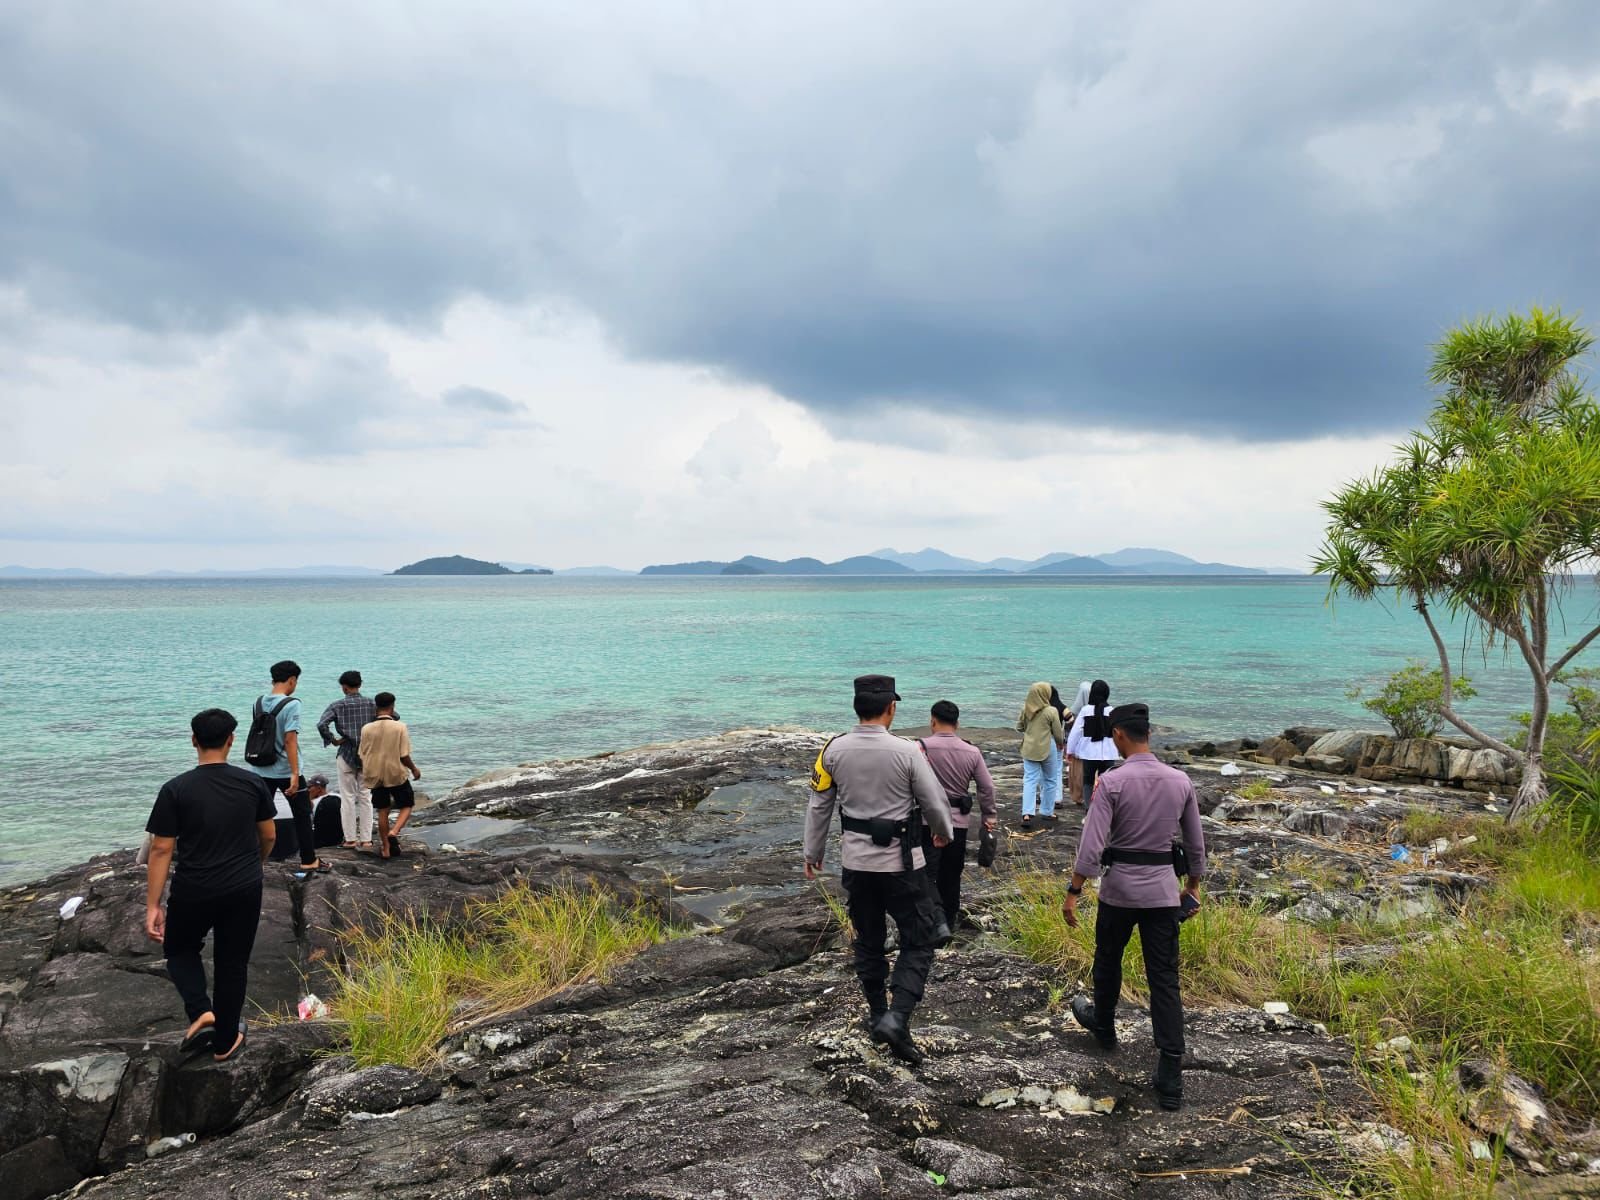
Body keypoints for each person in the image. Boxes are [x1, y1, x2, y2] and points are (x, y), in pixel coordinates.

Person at [1061, 703, 1207, 1111]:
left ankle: (1104, 1025)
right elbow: (1195, 843)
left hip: (1119, 892)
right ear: (1149, 733)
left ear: (1120, 735)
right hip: (1163, 894)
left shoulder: (1111, 782)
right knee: (1164, 979)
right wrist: (1191, 888)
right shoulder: (1180, 781)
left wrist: (1074, 890)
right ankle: (1170, 1073)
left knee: (1108, 958)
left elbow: (1092, 845)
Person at [804, 675, 954, 1065]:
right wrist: (942, 834)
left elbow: (819, 804)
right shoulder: (906, 752)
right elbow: (934, 802)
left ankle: (876, 1014)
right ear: (891, 708)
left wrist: (812, 851)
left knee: (868, 941)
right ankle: (897, 1017)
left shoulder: (833, 750)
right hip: (902, 865)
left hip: (856, 864)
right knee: (919, 939)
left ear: (857, 708)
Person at [143, 709, 276, 1063]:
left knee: (180, 949)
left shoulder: (175, 789)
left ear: (194, 741)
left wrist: (153, 905)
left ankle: (202, 1011)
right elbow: (269, 835)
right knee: (232, 962)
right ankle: (226, 1041)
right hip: (245, 886)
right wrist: (256, 863)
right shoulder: (252, 784)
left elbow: (161, 848)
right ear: (231, 740)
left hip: (194, 886)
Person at [918, 700, 997, 928]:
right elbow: (987, 788)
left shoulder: (920, 747)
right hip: (958, 824)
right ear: (958, 723)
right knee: (951, 875)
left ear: (932, 720)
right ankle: (949, 922)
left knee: (925, 874)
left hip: (926, 821)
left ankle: (932, 922)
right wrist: (988, 817)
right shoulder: (971, 751)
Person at [244, 660, 325, 872]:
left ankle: (251, 859)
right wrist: (295, 773)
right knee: (302, 814)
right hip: (285, 770)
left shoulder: (258, 702)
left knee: (259, 816)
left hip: (260, 769)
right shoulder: (292, 704)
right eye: (296, 681)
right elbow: (290, 740)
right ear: (292, 680)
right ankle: (308, 860)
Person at [317, 670, 376, 849]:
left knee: (347, 798)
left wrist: (333, 739)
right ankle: (366, 839)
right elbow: (393, 716)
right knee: (366, 797)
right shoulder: (372, 703)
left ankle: (350, 839)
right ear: (360, 684)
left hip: (346, 754)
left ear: (344, 687)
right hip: (368, 754)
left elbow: (321, 724)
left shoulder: (337, 705)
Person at [360, 692, 422, 859]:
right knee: (407, 804)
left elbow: (362, 754)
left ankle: (386, 849)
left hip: (375, 774)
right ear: (392, 707)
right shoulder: (400, 727)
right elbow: (403, 755)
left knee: (382, 811)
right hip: (395, 772)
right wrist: (414, 769)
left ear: (376, 707)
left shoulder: (366, 728)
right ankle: (394, 832)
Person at [1015, 682, 1064, 825]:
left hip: (1029, 748)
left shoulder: (1025, 709)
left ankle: (1027, 813)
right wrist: (1061, 742)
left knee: (1030, 780)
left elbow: (1019, 727)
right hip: (1048, 748)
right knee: (1050, 779)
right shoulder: (1051, 711)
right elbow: (1057, 733)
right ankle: (1047, 811)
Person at [1066, 679, 1122, 805]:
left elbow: (1076, 732)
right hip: (1107, 753)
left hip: (1089, 753)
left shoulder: (1085, 710)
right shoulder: (1111, 711)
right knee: (1106, 782)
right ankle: (1104, 806)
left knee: (1088, 781)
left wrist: (1070, 750)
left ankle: (1088, 808)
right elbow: (1117, 733)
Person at [1066, 680, 1092, 802]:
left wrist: (1068, 748)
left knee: (1077, 773)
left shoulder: (1074, 711)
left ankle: (1078, 796)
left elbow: (1071, 732)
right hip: (1092, 750)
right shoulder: (1097, 709)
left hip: (1078, 749)